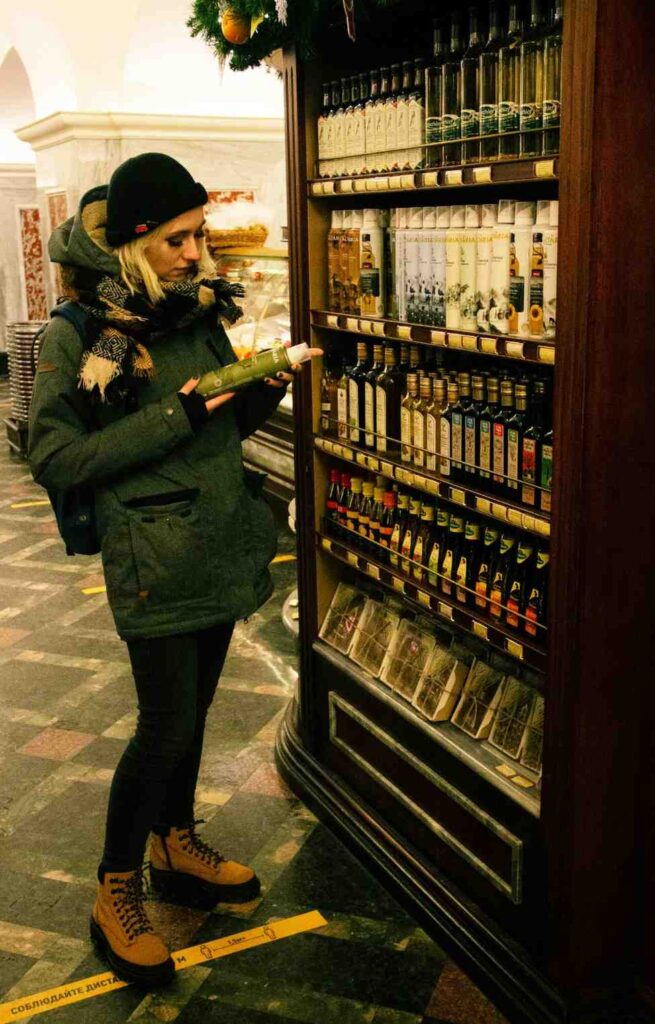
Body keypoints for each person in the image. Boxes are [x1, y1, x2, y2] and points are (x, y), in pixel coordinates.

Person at [28, 153, 301, 989]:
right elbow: (56, 453)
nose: (196, 254)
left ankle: (173, 842)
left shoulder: (191, 313)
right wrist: (181, 414)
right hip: (152, 555)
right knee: (164, 728)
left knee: (195, 714)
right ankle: (117, 890)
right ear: (134, 244)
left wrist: (263, 382)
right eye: (178, 240)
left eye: (199, 237)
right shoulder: (81, 331)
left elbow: (215, 426)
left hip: (216, 539)